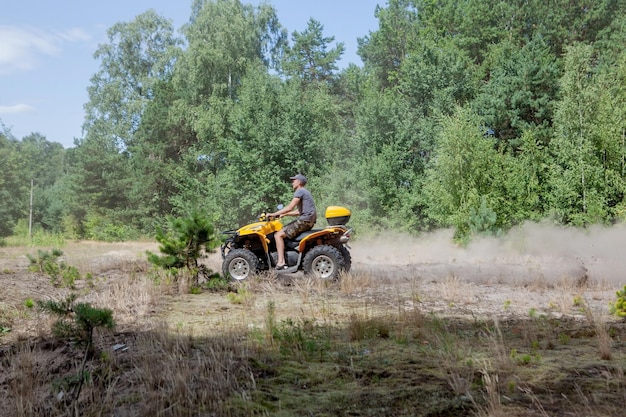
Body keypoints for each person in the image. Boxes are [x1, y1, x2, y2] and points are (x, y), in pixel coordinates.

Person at [268, 174, 317, 270]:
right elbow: (299, 211)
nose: (292, 183)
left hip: (304, 221)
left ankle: (281, 262)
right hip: (308, 221)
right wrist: (285, 214)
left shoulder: (300, 191)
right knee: (284, 233)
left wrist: (273, 214)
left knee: (278, 235)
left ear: (299, 182)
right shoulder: (305, 192)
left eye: (294, 180)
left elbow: (290, 207)